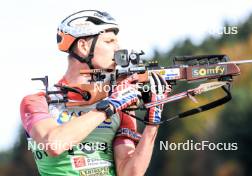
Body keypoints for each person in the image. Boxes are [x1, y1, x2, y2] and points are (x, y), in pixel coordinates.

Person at [20, 10, 169, 176]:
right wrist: (108, 107)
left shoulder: (119, 102)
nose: (118, 48)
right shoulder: (37, 101)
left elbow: (129, 173)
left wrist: (152, 125)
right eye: (109, 41)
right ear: (83, 47)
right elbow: (54, 144)